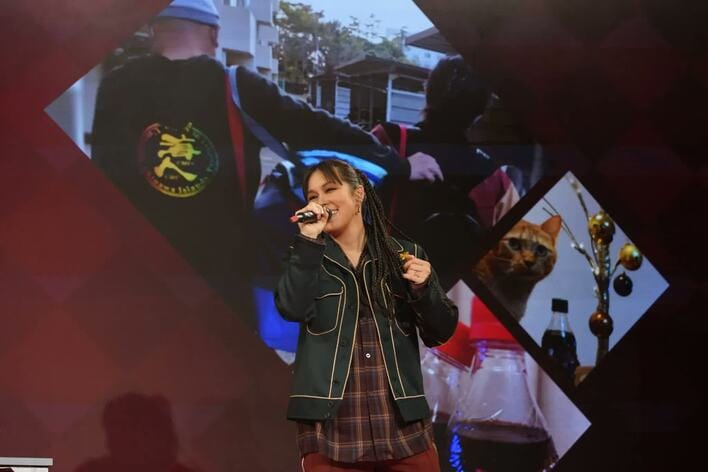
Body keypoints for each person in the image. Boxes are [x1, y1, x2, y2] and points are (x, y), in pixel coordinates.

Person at [91, 0, 443, 328]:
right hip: (222, 273)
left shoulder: (115, 87)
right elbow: (319, 127)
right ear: (214, 34)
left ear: (154, 28)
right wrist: (399, 164)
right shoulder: (233, 85)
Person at [274, 159, 459, 471]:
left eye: (330, 190)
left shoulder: (403, 254)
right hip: (332, 432)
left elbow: (440, 331)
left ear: (358, 194)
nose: (321, 201)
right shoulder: (304, 255)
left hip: (403, 430)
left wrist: (424, 289)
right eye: (313, 196)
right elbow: (291, 307)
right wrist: (307, 242)